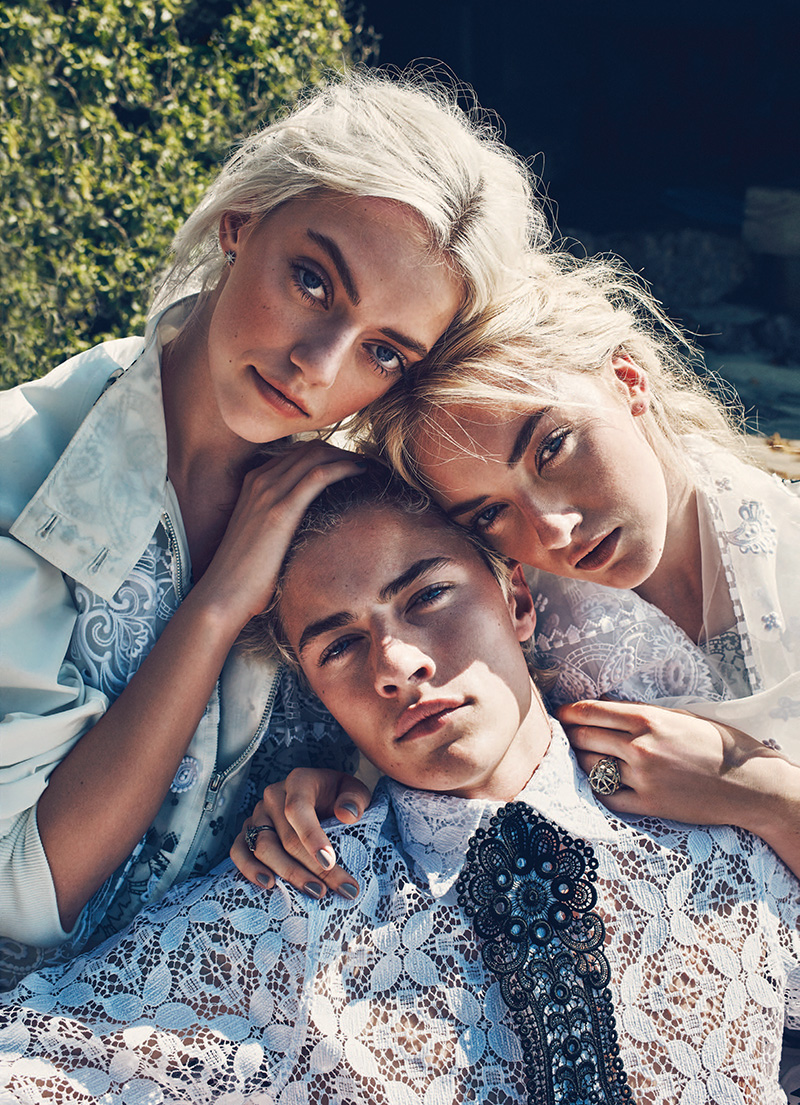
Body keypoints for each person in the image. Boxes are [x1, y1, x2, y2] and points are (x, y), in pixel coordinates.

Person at [0, 465, 798, 1104]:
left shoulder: (723, 826)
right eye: (341, 645)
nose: (397, 664)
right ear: (315, 693)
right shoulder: (285, 906)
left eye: (427, 596)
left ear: (518, 597)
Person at [0, 67, 542, 986]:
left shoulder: (383, 498)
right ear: (241, 221)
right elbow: (23, 894)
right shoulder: (24, 473)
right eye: (313, 281)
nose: (319, 367)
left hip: (256, 1008)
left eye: (382, 350)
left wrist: (355, 790)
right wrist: (217, 608)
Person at [356, 250, 800, 877]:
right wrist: (329, 795)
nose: (553, 530)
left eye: (552, 447)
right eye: (489, 514)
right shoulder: (502, 625)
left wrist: (762, 793)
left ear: (628, 379)